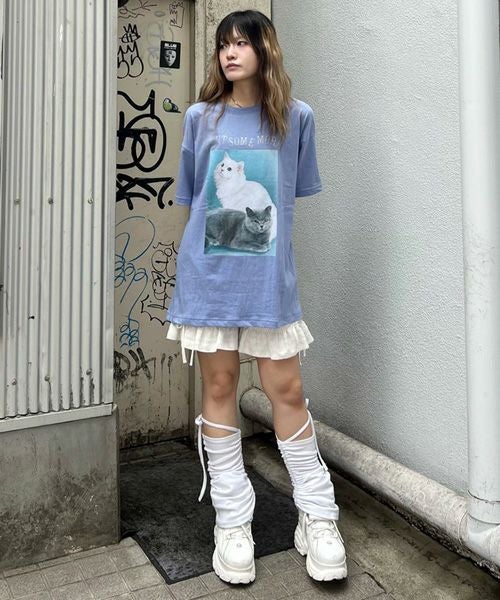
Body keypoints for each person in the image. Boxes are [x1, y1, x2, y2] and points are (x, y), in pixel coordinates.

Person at [165, 9, 347, 585]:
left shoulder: (297, 118)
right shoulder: (200, 118)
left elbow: (290, 200)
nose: (230, 52)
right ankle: (232, 520)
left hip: (269, 285)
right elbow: (196, 204)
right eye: (224, 44)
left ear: (266, 49)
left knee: (286, 389)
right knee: (219, 388)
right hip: (210, 281)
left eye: (242, 42)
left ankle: (317, 515)